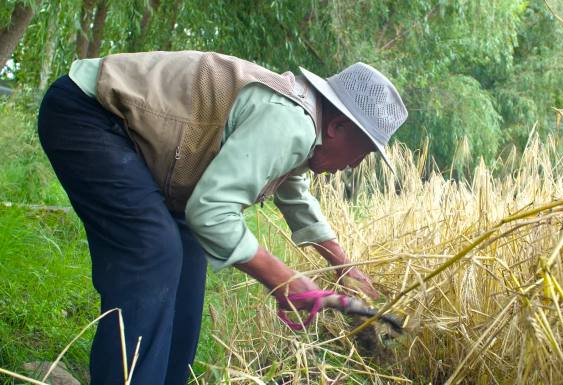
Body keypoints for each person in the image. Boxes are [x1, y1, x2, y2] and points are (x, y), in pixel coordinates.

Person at [37, 51, 407, 385]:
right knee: (154, 251)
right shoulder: (292, 122)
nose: (353, 165)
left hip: (139, 146)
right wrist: (283, 280)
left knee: (187, 264)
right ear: (336, 126)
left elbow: (294, 194)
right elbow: (211, 211)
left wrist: (344, 266)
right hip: (91, 114)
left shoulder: (303, 122)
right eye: (361, 151)